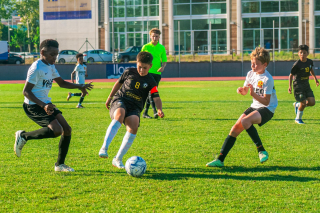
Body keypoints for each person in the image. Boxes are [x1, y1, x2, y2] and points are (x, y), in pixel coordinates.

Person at [14, 39, 93, 172]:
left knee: (67, 129)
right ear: (43, 52)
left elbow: (61, 83)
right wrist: (43, 105)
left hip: (46, 103)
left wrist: (80, 86)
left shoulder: (51, 66)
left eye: (56, 55)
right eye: (52, 55)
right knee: (57, 130)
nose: (55, 58)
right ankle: (23, 136)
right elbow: (26, 91)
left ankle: (60, 165)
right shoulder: (36, 68)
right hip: (33, 105)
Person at [206, 47, 278, 167]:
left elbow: (266, 101)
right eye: (252, 63)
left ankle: (261, 150)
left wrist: (253, 94)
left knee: (245, 121)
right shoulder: (250, 74)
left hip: (268, 108)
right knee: (235, 129)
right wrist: (241, 90)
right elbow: (245, 91)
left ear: (265, 64)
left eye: (256, 64)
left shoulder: (267, 79)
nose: (253, 66)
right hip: (255, 106)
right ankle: (220, 160)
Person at [98, 52, 165, 168]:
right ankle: (104, 147)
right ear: (136, 63)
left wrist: (159, 109)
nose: (142, 70)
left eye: (145, 68)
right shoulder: (129, 71)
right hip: (121, 100)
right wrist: (109, 97)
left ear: (150, 66)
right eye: (139, 67)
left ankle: (117, 159)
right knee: (119, 115)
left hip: (135, 107)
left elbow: (156, 97)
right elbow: (118, 84)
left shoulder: (151, 81)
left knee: (133, 126)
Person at [288, 44, 319, 124]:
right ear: (298, 53)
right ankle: (298, 119)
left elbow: (311, 69)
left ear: (307, 53)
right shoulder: (297, 64)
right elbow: (291, 75)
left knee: (312, 102)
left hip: (306, 84)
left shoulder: (309, 62)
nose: (302, 54)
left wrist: (315, 79)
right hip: (298, 85)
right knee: (304, 102)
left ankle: (298, 105)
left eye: (304, 53)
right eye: (301, 52)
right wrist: (290, 86)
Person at [141, 28, 167, 119]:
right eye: (153, 36)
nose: (155, 38)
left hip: (157, 73)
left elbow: (164, 60)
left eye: (156, 36)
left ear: (159, 37)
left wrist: (162, 67)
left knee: (153, 92)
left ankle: (145, 113)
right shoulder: (146, 47)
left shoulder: (162, 48)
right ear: (150, 36)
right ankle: (155, 112)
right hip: (148, 72)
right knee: (151, 92)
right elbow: (140, 60)